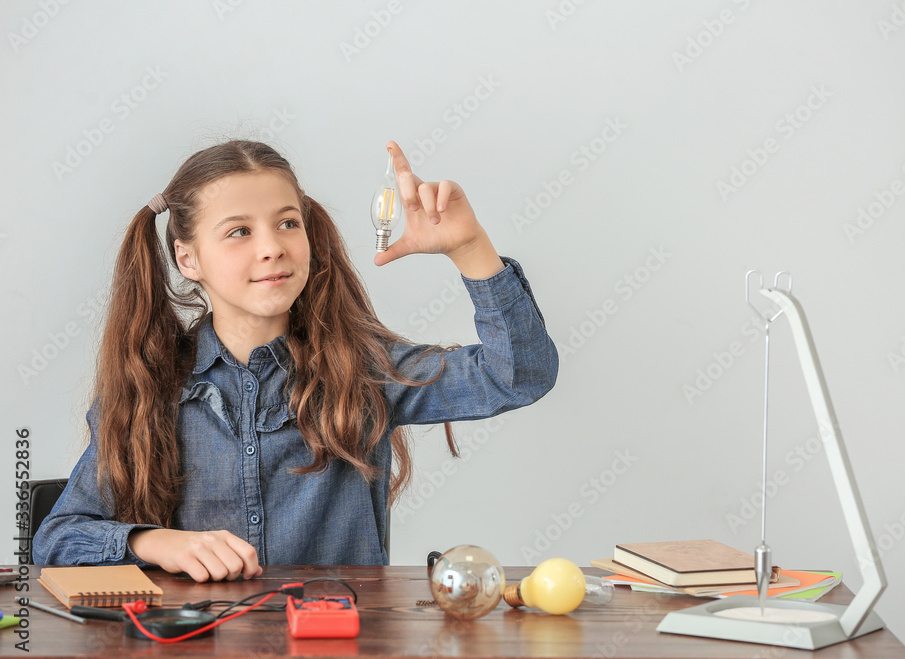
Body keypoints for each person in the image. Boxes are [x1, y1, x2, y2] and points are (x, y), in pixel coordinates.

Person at [33, 139, 558, 582]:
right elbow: (56, 538)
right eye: (239, 231)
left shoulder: (364, 371)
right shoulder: (153, 386)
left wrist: (471, 249)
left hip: (342, 647)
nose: (272, 248)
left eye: (287, 223)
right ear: (187, 258)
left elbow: (518, 376)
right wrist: (153, 542)